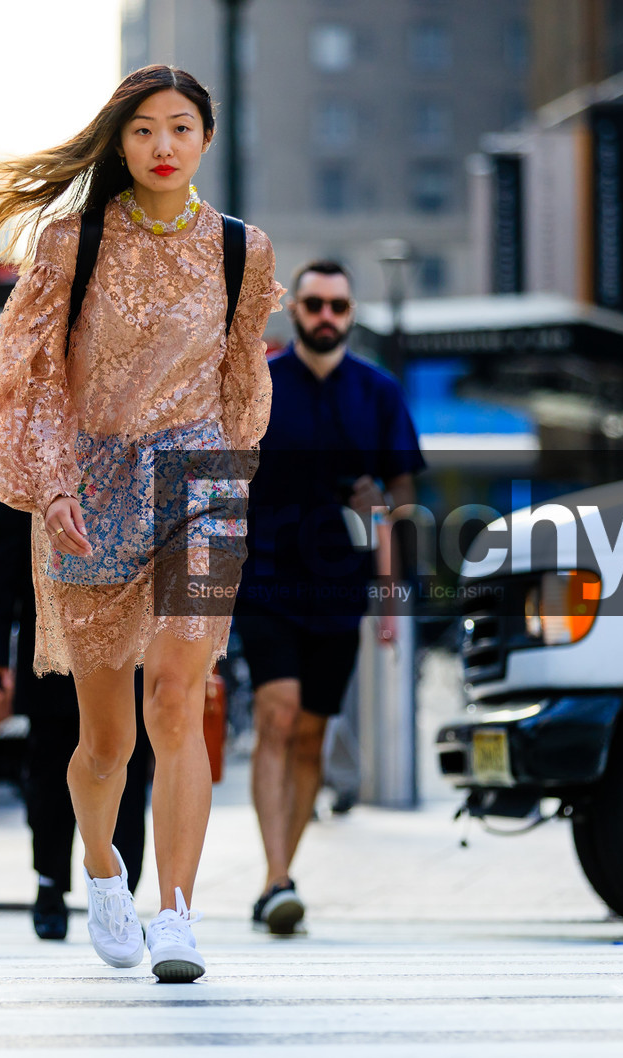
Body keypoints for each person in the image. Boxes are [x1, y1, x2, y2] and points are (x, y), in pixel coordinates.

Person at [0, 64, 281, 982]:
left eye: (180, 128)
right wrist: (51, 484)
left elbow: (241, 378)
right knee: (106, 740)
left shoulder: (242, 250)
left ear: (206, 139)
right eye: (144, 131)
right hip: (88, 483)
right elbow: (26, 376)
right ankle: (102, 866)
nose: (163, 147)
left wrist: (228, 471)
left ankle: (176, 913)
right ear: (120, 142)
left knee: (179, 698)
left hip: (204, 476)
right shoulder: (72, 242)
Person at [234, 260, 425, 935]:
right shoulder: (260, 386)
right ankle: (277, 876)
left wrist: (392, 580)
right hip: (261, 577)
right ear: (295, 310)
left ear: (350, 314)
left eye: (338, 307)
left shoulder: (377, 393)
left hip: (339, 581)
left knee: (312, 732)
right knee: (277, 712)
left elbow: (404, 493)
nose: (325, 316)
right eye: (313, 303)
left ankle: (276, 877)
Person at [0, 500, 152, 941]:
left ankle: (120, 890)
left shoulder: (149, 443)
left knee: (127, 767)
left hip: (134, 641)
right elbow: (1, 558)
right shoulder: (44, 451)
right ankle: (50, 883)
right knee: (50, 771)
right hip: (53, 643)